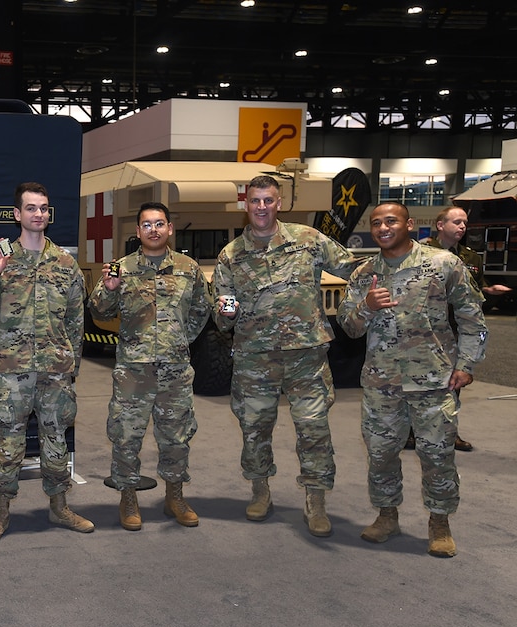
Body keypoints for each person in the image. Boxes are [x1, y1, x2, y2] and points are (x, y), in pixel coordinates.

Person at [337, 202, 487, 557]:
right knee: (381, 454)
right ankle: (387, 516)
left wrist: (466, 364)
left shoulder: (443, 264)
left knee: (437, 455)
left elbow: (472, 318)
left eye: (391, 221)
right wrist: (366, 307)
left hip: (433, 381)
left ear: (408, 224)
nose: (383, 228)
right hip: (381, 383)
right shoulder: (364, 273)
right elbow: (349, 327)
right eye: (376, 223)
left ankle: (440, 522)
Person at [213, 174, 359, 536]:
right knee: (255, 428)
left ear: (279, 203)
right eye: (255, 201)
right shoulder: (231, 256)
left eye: (268, 200)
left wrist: (363, 304)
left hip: (305, 355)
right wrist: (225, 313)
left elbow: (354, 270)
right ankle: (260, 490)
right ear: (245, 204)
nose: (261, 207)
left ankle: (316, 500)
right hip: (254, 358)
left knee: (313, 428)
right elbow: (223, 310)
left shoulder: (308, 240)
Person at [0, 181, 92, 541]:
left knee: (56, 441)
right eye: (32, 208)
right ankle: (1, 512)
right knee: (10, 444)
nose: (39, 214)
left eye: (44, 208)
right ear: (17, 214)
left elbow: (75, 322)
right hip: (13, 372)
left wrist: (72, 368)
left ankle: (59, 507)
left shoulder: (66, 263)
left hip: (56, 372)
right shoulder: (2, 259)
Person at [89, 202, 211, 530]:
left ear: (170, 228)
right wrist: (109, 291)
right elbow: (98, 313)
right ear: (138, 231)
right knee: (126, 435)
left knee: (176, 436)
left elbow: (202, 310)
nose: (153, 230)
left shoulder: (189, 268)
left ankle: (175, 496)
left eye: (159, 224)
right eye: (147, 225)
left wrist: (179, 340)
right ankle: (128, 497)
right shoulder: (120, 268)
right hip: (134, 370)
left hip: (175, 369)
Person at [411, 205, 511, 452]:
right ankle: (412, 432)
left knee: (452, 382)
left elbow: (473, 288)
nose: (462, 227)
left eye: (464, 222)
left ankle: (449, 432)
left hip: (456, 330)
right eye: (456, 222)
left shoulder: (471, 257)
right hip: (425, 330)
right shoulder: (419, 253)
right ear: (440, 225)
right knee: (416, 381)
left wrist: (488, 289)